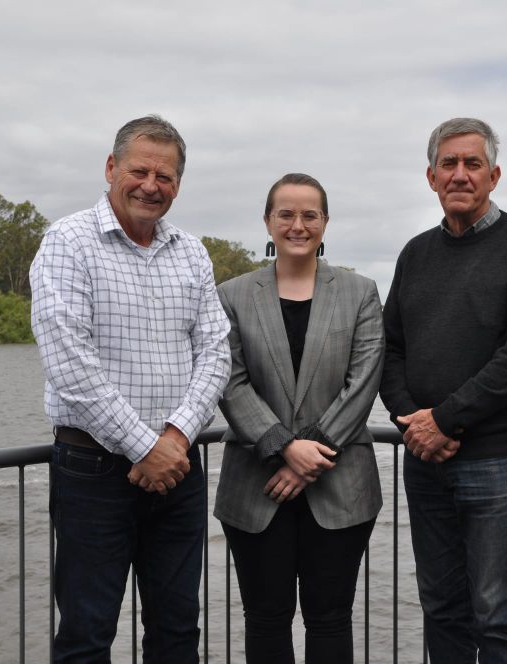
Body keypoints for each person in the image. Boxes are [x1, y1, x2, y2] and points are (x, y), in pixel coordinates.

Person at [30, 114, 231, 663]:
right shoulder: (67, 243)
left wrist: (175, 436)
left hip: (178, 470)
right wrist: (146, 447)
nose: (151, 185)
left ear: (178, 185)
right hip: (92, 470)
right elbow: (70, 363)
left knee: (177, 629)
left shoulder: (192, 252)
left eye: (165, 177)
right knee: (88, 633)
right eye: (139, 170)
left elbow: (216, 352)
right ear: (111, 167)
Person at [379, 118, 507, 663]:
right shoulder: (415, 254)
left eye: (472, 163)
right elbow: (389, 349)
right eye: (449, 164)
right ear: (431, 177)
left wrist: (445, 421)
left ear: (494, 176)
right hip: (426, 458)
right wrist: (414, 422)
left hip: (504, 457)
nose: (460, 174)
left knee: (495, 613)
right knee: (441, 607)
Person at [213, 173, 384, 664]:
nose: (297, 224)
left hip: (340, 488)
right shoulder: (232, 296)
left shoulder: (360, 292)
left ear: (325, 223)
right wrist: (285, 448)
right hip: (255, 485)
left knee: (330, 619)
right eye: (285, 213)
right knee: (265, 619)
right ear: (268, 221)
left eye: (310, 214)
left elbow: (364, 382)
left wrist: (309, 453)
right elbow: (230, 381)